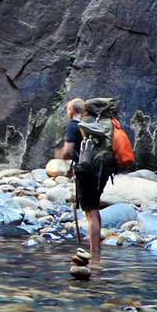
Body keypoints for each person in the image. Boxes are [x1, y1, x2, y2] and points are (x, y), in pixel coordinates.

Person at [56, 98, 105, 273]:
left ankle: (95, 257)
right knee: (95, 209)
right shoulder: (94, 125)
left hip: (86, 172)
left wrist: (61, 156)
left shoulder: (72, 126)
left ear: (71, 111)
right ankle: (97, 252)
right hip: (102, 171)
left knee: (90, 211)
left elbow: (69, 151)